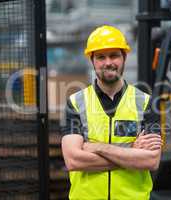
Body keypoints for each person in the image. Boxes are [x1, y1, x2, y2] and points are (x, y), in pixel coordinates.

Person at [61, 25, 162, 200]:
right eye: (101, 57)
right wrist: (131, 152)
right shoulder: (76, 103)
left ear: (124, 57)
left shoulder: (146, 103)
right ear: (92, 60)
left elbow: (150, 161)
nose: (108, 62)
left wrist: (97, 147)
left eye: (114, 55)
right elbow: (73, 161)